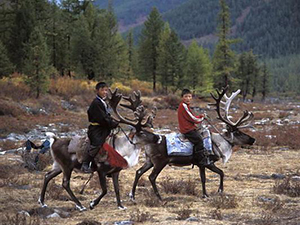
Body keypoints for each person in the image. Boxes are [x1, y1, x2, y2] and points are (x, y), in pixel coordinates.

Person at [81, 82, 119, 173]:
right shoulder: (96, 103)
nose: (105, 92)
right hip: (96, 129)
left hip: (103, 128)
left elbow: (107, 116)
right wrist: (112, 124)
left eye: (106, 90)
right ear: (97, 91)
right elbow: (102, 118)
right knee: (97, 144)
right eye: (102, 90)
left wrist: (113, 121)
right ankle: (85, 163)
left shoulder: (102, 102)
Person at [177, 88, 211, 165]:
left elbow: (191, 116)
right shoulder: (183, 106)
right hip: (187, 129)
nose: (188, 98)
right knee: (199, 140)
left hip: (189, 128)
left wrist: (200, 116)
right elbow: (192, 118)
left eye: (189, 96)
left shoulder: (185, 106)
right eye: (186, 96)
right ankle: (200, 160)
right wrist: (201, 118)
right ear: (182, 97)